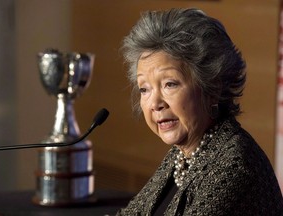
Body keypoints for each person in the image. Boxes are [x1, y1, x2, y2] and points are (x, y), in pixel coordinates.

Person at [116, 8, 283, 215]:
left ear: (212, 87)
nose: (155, 103)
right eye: (144, 89)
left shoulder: (234, 164)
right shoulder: (183, 154)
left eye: (170, 84)